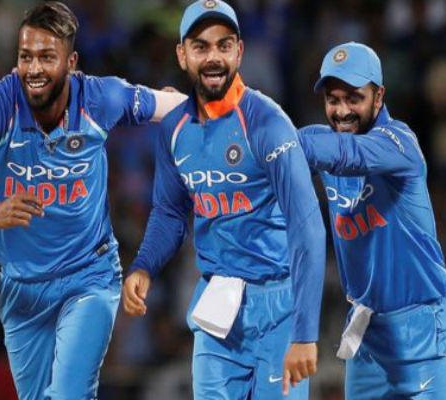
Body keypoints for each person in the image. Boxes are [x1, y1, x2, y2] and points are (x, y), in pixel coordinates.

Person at [0, 2, 186, 399]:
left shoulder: (100, 98)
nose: (33, 69)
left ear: (71, 63)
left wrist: (185, 107)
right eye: (26, 56)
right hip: (22, 288)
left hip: (89, 275)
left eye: (46, 57)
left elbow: (176, 106)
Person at [121, 1, 326, 399]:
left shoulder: (267, 123)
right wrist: (144, 265)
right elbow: (169, 211)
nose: (213, 57)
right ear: (182, 55)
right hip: (217, 304)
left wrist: (304, 333)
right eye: (201, 47)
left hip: (278, 306)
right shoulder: (174, 128)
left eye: (223, 45)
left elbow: (308, 228)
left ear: (239, 51)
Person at [298, 41, 446, 399]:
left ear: (379, 97)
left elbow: (347, 154)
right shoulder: (324, 142)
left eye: (353, 98)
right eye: (332, 99)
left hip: (423, 329)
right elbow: (269, 145)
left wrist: (284, 149)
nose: (342, 111)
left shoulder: (399, 144)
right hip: (367, 333)